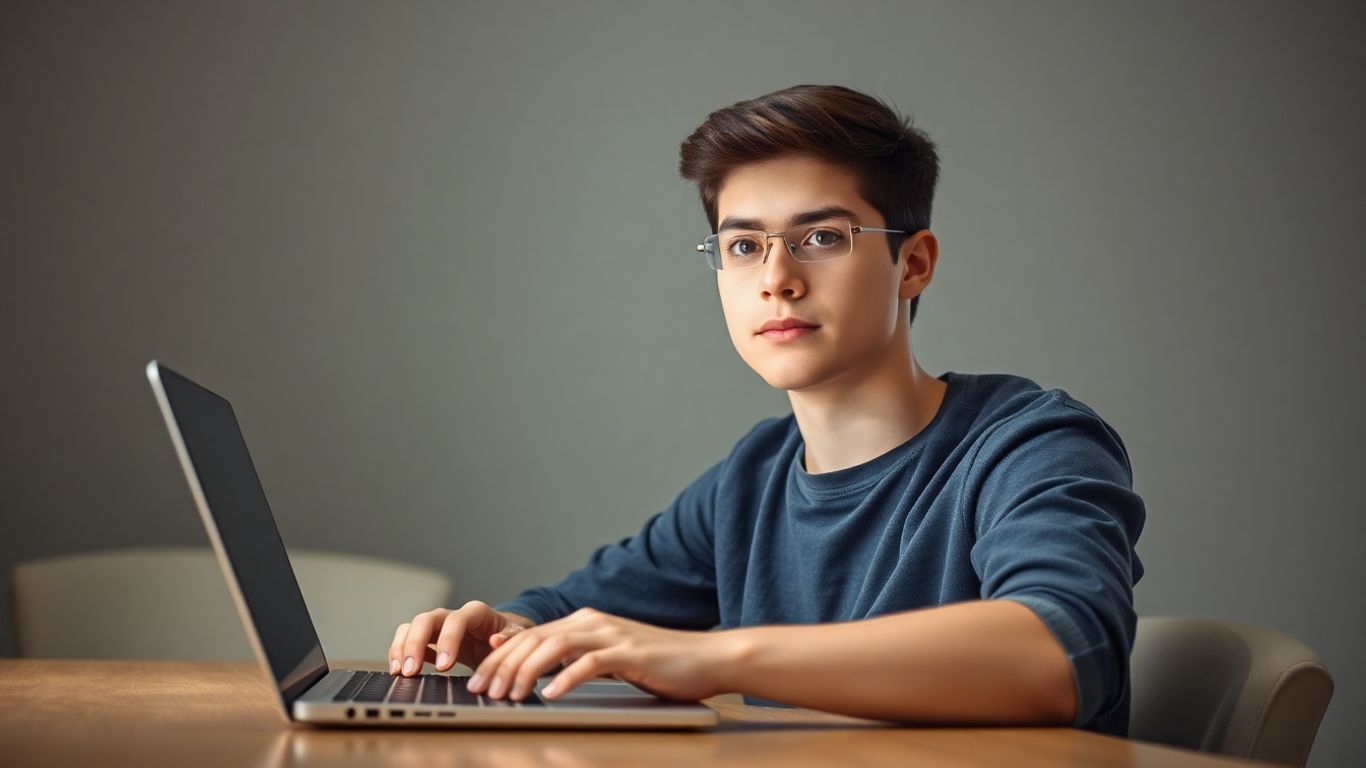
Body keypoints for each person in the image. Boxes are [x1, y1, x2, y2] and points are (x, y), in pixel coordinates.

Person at [386, 84, 1146, 736]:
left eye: (821, 237)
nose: (776, 279)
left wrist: (713, 657)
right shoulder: (751, 479)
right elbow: (570, 611)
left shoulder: (1032, 442)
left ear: (912, 263)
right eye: (744, 247)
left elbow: (1059, 652)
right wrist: (506, 630)